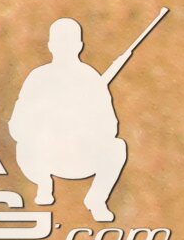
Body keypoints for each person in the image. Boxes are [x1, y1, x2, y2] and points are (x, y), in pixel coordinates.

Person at [9, 18, 134, 222]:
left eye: (69, 42)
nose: (64, 48)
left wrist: (83, 123)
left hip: (81, 156)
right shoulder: (38, 78)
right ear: (50, 45)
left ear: (79, 46)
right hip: (45, 157)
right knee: (24, 146)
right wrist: (45, 119)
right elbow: (17, 125)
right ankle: (43, 184)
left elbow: (110, 127)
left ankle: (96, 199)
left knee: (117, 147)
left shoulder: (90, 78)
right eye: (60, 42)